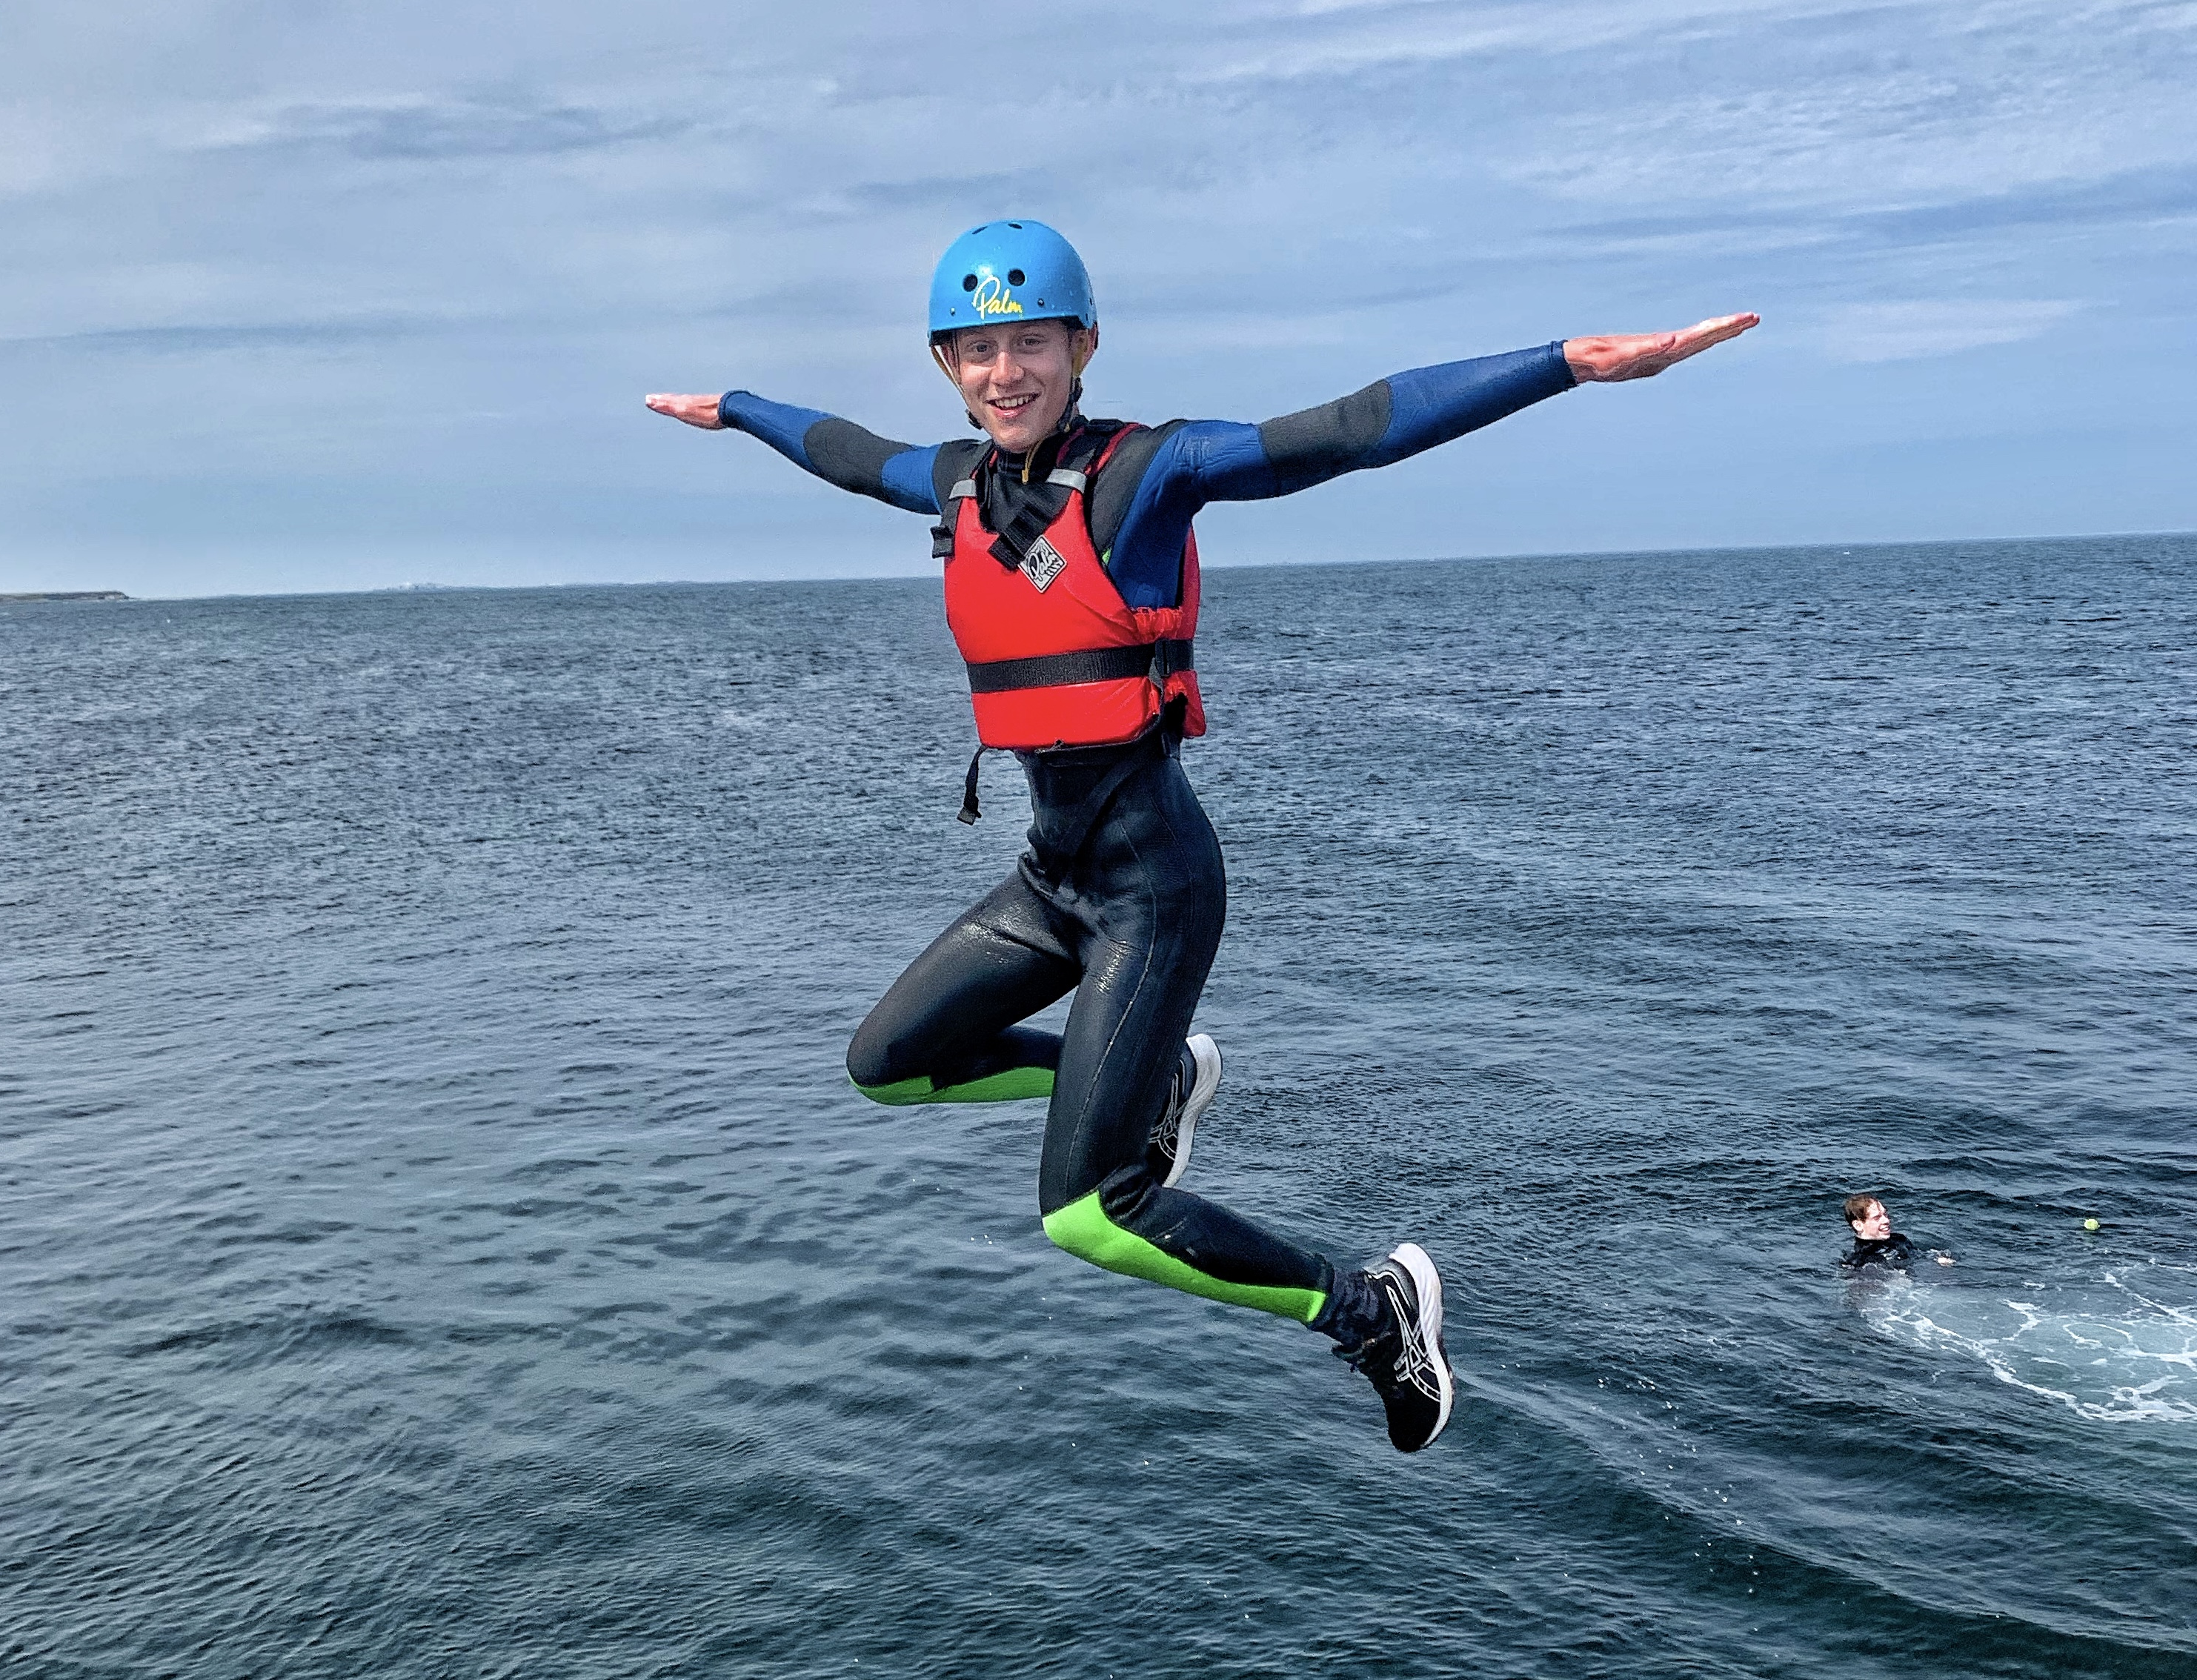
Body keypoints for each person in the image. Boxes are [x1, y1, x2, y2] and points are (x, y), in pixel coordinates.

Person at [648, 219, 1757, 1454]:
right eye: (974, 350)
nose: (1002, 371)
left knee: (1089, 1212)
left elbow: (1342, 431)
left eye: (1028, 343)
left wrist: (1570, 363)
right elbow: (847, 453)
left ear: (1082, 347)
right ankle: (1162, 1080)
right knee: (887, 1063)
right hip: (1047, 880)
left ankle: (1369, 1308)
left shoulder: (1147, 475)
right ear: (946, 365)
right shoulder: (958, 485)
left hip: (1151, 889)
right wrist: (737, 405)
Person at [1842, 1194, 1954, 1271]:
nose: (1886, 1220)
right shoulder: (1858, 1259)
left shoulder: (1900, 1239)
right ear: (1858, 1225)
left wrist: (1937, 1258)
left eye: (1885, 1214)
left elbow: (1919, 1255)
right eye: (1877, 1218)